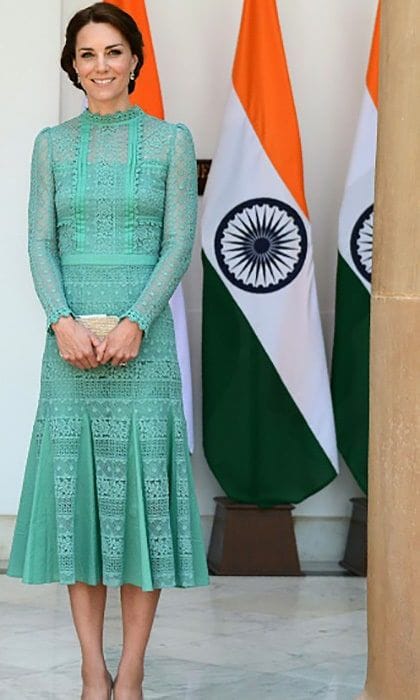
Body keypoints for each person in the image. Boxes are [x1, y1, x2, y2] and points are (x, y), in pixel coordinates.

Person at [6, 3, 210, 698]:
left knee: (140, 517)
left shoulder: (170, 142)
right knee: (81, 512)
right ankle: (94, 672)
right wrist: (62, 321)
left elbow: (178, 242)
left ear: (135, 60)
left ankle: (133, 673)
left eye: (114, 52)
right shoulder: (51, 145)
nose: (101, 66)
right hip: (68, 354)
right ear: (72, 65)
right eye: (87, 54)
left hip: (140, 352)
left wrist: (136, 323)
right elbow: (39, 241)